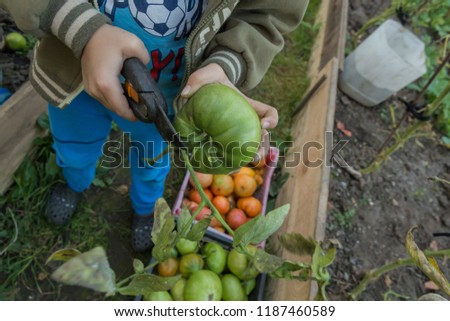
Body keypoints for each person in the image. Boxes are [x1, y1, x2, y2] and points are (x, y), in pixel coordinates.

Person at [0, 0, 309, 251]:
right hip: (74, 76)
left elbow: (266, 13)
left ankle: (145, 207)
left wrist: (226, 63)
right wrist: (82, 28)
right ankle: (74, 182)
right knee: (74, 146)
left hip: (166, 97)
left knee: (151, 161)